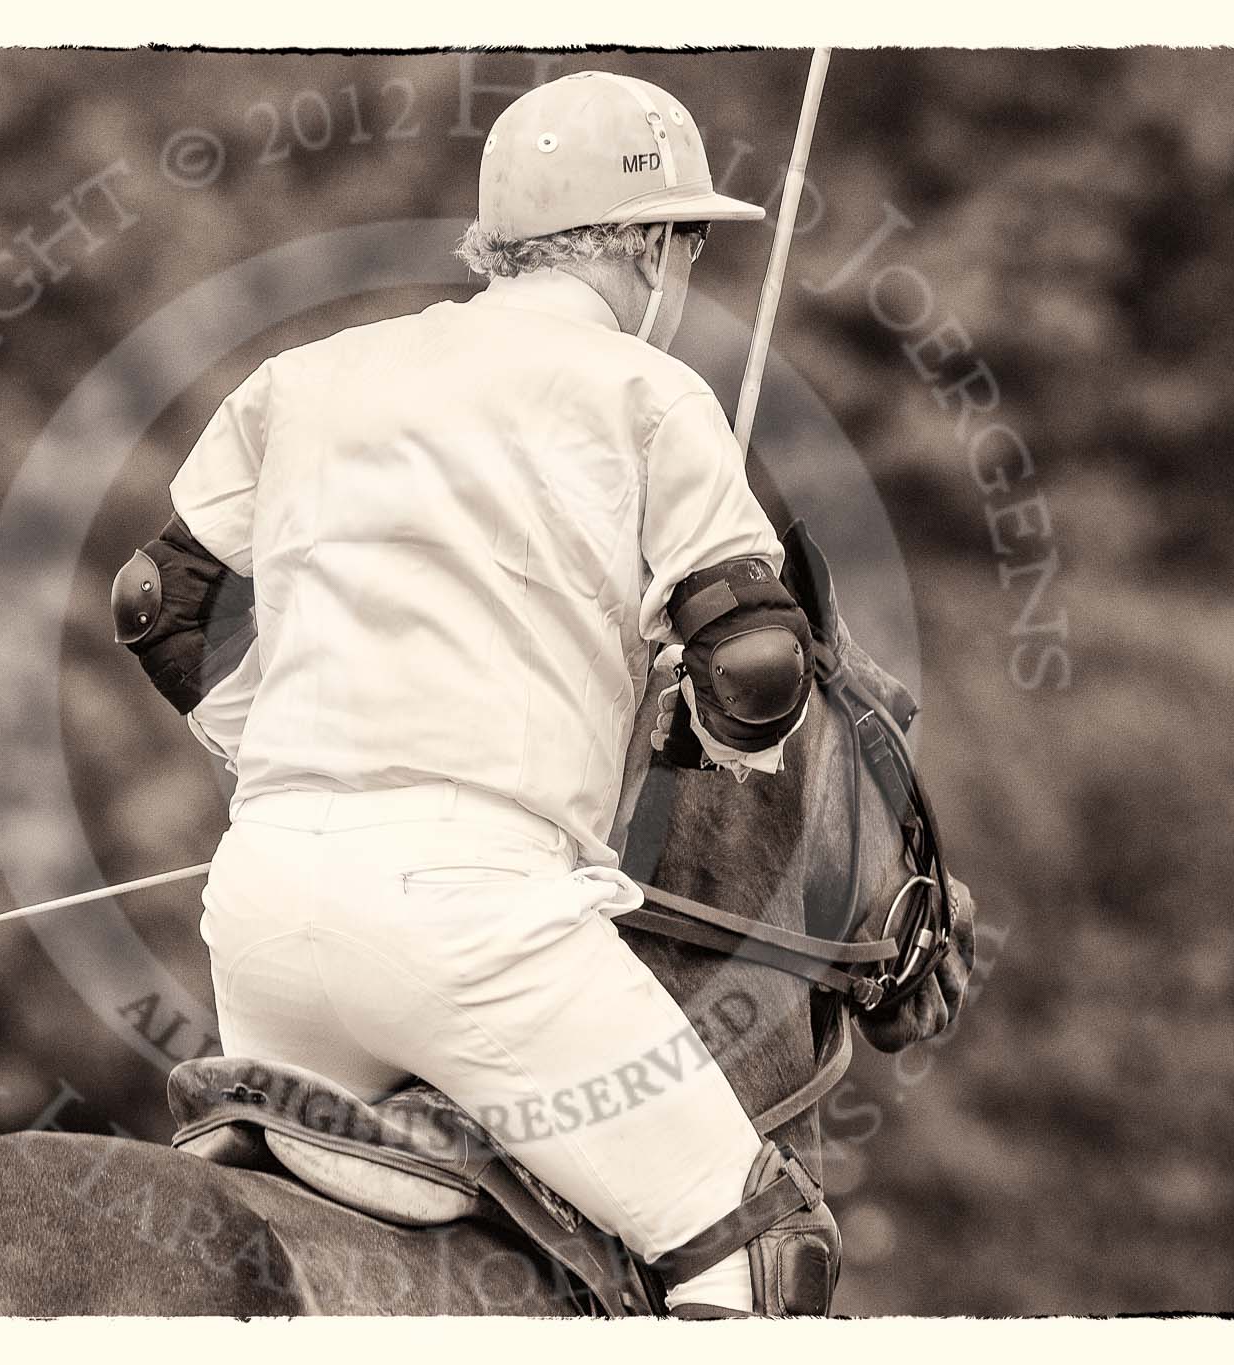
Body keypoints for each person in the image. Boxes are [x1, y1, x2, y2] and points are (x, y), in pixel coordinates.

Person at [114, 71, 836, 1317]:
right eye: (684, 246)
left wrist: (259, 749)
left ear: (502, 241)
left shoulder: (309, 372)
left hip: (263, 918)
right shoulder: (644, 388)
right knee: (764, 1250)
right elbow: (757, 661)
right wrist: (715, 738)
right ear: (651, 246)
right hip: (473, 929)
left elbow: (152, 600)